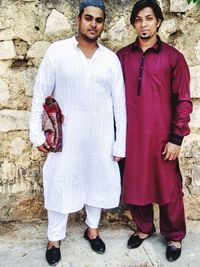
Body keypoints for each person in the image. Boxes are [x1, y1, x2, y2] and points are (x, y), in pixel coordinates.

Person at [29, 0, 126, 265]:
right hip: (66, 139)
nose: (93, 24)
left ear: (103, 24)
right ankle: (54, 238)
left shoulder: (110, 59)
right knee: (60, 183)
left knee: (97, 181)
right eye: (89, 18)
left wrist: (120, 144)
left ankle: (92, 229)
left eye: (99, 20)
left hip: (100, 137)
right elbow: (41, 93)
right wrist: (36, 134)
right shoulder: (57, 52)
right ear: (79, 20)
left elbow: (120, 104)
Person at [117, 0, 192, 262]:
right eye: (138, 19)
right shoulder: (122, 57)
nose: (143, 24)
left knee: (169, 189)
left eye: (149, 18)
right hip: (131, 137)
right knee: (135, 185)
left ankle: (174, 235)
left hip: (162, 138)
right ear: (133, 24)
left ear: (158, 22)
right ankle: (144, 228)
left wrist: (176, 138)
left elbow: (183, 100)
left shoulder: (173, 58)